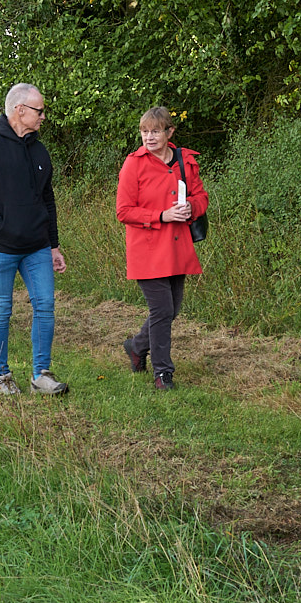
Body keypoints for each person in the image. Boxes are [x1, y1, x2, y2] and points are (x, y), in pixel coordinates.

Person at [0, 83, 68, 396]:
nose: (43, 116)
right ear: (19, 110)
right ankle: (2, 377)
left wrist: (53, 244)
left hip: (36, 247)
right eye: (39, 110)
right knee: (1, 311)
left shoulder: (38, 149)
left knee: (45, 306)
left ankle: (41, 375)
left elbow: (47, 198)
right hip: (1, 249)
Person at [115, 106, 208, 391]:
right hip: (147, 249)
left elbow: (201, 196)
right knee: (162, 309)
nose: (149, 137)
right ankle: (163, 373)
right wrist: (161, 216)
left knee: (170, 310)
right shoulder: (134, 163)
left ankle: (136, 346)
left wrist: (191, 206)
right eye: (144, 132)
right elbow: (123, 211)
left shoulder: (184, 160)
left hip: (178, 247)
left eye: (155, 131)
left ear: (170, 132)